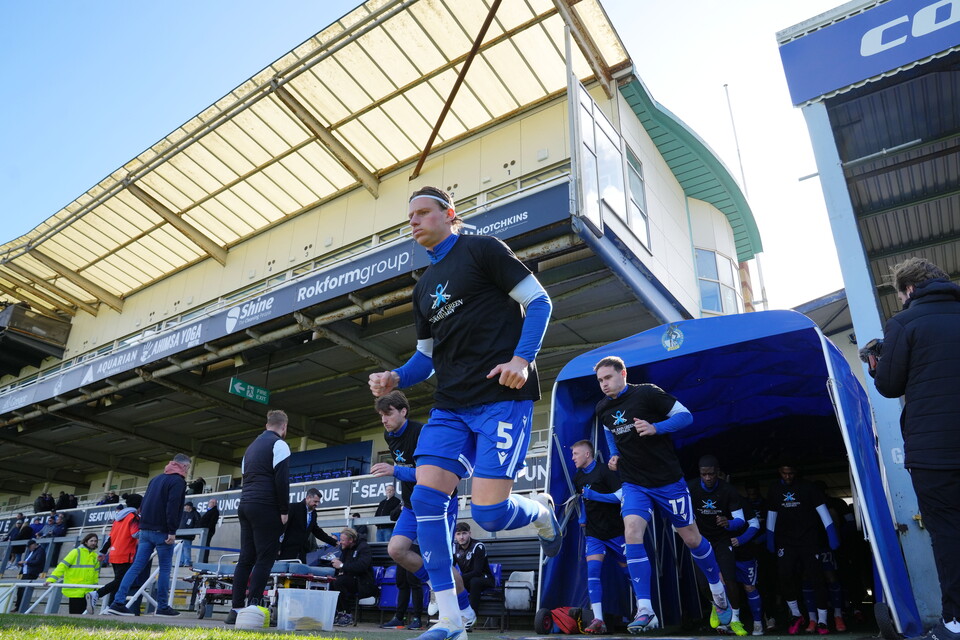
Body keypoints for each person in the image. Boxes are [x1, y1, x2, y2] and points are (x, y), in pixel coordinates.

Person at [368, 186, 560, 640]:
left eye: (422, 212)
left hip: (500, 399)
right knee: (427, 500)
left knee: (490, 516)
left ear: (449, 214)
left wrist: (521, 359)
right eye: (409, 216)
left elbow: (540, 302)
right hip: (451, 407)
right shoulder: (421, 290)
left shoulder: (483, 249)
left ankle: (541, 512)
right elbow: (425, 360)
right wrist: (396, 378)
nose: (413, 221)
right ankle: (452, 620)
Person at [594, 355, 733, 634]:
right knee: (632, 530)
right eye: (600, 381)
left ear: (623, 373)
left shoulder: (647, 392)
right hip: (634, 482)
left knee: (692, 538)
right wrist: (614, 455)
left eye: (608, 377)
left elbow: (686, 416)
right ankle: (645, 609)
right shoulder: (602, 408)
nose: (604, 384)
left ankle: (718, 590)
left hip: (668, 482)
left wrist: (656, 427)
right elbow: (610, 431)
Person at [862, 257, 960, 640]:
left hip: (935, 451)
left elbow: (889, 385)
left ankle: (955, 621)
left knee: (949, 534)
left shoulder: (903, 323)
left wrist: (875, 363)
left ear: (908, 290)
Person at [370, 390, 477, 630]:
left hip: (438, 504)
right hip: (410, 505)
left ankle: (466, 610)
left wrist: (394, 470)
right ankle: (434, 585)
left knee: (442, 563)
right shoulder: (390, 436)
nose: (384, 420)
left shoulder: (422, 434)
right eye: (381, 415)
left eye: (388, 414)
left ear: (403, 411)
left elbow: (426, 475)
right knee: (396, 549)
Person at [225, 409, 291, 625]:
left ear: (266, 425)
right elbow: (282, 481)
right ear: (284, 427)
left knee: (245, 558)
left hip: (245, 505)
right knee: (265, 558)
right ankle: (252, 609)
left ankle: (235, 611)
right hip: (266, 506)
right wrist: (284, 510)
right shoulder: (279, 444)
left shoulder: (250, 448)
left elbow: (246, 479)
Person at [105, 453, 191, 617]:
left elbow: (144, 504)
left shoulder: (155, 479)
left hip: (145, 530)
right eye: (188, 468)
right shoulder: (178, 482)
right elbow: (173, 508)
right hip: (162, 531)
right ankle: (163, 607)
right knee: (165, 568)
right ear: (185, 466)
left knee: (136, 567)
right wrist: (172, 531)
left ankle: (118, 602)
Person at [688, 455, 764, 636]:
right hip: (701, 540)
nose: (707, 478)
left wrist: (728, 522)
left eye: (711, 474)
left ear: (718, 473)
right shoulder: (691, 488)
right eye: (704, 474)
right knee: (703, 585)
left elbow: (740, 520)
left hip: (722, 540)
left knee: (730, 580)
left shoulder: (728, 490)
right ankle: (718, 606)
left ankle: (736, 619)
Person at [766, 463, 839, 635]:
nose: (788, 476)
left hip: (808, 539)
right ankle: (796, 615)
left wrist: (832, 536)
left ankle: (822, 620)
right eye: (784, 473)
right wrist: (770, 539)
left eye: (791, 473)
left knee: (817, 578)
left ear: (796, 472)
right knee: (784, 575)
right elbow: (771, 515)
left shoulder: (808, 488)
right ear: (779, 472)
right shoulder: (775, 489)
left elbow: (823, 513)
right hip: (786, 541)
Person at [571, 439, 626, 635]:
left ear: (587, 454)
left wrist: (596, 496)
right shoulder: (578, 477)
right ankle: (599, 619)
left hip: (616, 532)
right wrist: (583, 518)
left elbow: (621, 496)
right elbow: (584, 500)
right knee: (592, 572)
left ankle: (645, 612)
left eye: (575, 454)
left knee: (630, 572)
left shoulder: (605, 471)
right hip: (594, 534)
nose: (573, 458)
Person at [86, 493, 142, 613]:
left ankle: (112, 607)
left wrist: (102, 551)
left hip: (114, 553)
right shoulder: (133, 517)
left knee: (118, 582)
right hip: (125, 553)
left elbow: (110, 538)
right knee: (121, 581)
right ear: (139, 505)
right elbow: (135, 534)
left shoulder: (118, 518)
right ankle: (96, 594)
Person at [331, 527, 376, 626]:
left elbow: (362, 566)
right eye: (340, 540)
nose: (340, 542)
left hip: (363, 582)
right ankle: (338, 613)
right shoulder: (345, 549)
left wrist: (342, 566)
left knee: (339, 582)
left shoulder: (363, 548)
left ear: (351, 540)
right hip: (350, 579)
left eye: (342, 540)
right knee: (332, 581)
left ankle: (347, 614)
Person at [279, 487, 338, 563]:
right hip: (286, 550)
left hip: (301, 552)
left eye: (318, 502)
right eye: (315, 501)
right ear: (308, 498)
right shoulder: (293, 508)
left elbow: (317, 531)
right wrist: (278, 547)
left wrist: (334, 542)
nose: (317, 504)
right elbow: (282, 528)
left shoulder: (313, 513)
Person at [47, 532, 100, 614]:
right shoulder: (76, 552)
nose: (94, 543)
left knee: (84, 617)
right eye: (91, 541)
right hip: (75, 589)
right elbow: (62, 566)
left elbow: (96, 574)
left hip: (88, 592)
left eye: (95, 541)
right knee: (75, 615)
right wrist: (52, 579)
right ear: (86, 542)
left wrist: (95, 589)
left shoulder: (95, 556)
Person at [452, 522, 494, 613]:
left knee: (474, 581)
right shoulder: (454, 547)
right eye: (458, 534)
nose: (461, 537)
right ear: (455, 536)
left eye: (464, 533)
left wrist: (459, 579)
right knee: (450, 584)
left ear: (469, 534)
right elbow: (450, 567)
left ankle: (472, 615)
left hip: (485, 578)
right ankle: (452, 616)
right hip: (467, 579)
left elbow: (477, 572)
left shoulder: (478, 546)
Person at [15, 539, 45, 612]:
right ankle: (18, 607)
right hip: (26, 572)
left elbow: (37, 561)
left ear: (34, 545)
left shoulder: (40, 550)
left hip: (31, 573)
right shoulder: (32, 551)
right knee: (20, 591)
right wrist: (23, 564)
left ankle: (22, 608)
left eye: (30, 546)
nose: (29, 548)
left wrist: (26, 562)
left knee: (24, 591)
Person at [176, 501, 199, 567]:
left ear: (189, 507)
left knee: (186, 550)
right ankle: (180, 562)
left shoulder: (195, 514)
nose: (185, 507)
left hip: (188, 535)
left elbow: (197, 523)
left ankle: (187, 562)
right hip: (179, 535)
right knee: (179, 550)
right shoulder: (183, 513)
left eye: (186, 506)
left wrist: (193, 531)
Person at [197, 497, 220, 564]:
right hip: (204, 531)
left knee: (206, 545)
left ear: (214, 504)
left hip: (208, 531)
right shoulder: (209, 511)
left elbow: (212, 522)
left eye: (210, 502)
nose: (209, 504)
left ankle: (204, 560)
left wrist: (206, 528)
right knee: (203, 545)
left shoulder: (215, 511)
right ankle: (202, 559)